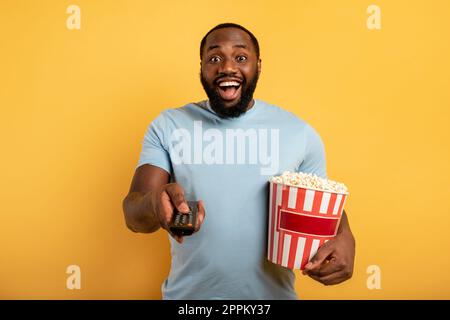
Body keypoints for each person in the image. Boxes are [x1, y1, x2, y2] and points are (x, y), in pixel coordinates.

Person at [122, 23, 355, 299]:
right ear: (201, 67)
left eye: (241, 58)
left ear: (258, 65)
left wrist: (346, 235)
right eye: (215, 58)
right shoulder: (169, 125)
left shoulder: (299, 133)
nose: (227, 68)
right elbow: (134, 215)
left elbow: (318, 200)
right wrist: (153, 202)